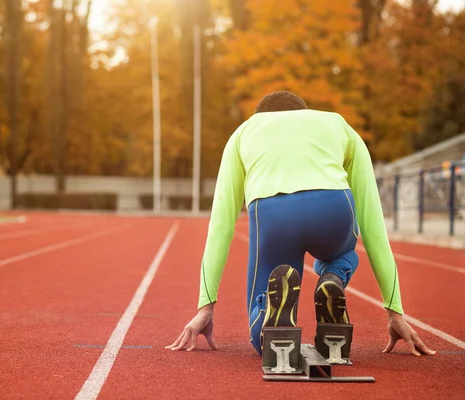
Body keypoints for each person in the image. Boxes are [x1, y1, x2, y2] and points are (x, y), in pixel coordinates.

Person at [166, 90, 436, 357]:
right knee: (342, 256)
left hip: (274, 214)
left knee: (265, 336)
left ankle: (270, 314)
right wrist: (394, 310)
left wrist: (206, 306)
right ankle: (334, 277)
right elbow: (372, 222)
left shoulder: (245, 132)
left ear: (263, 117)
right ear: (304, 112)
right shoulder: (338, 123)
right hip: (333, 208)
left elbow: (221, 224)